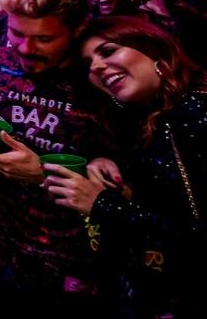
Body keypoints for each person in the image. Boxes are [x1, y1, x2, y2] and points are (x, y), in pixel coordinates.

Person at [0, 0, 118, 312]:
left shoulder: (101, 81)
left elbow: (127, 180)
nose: (26, 48)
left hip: (68, 260)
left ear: (78, 29)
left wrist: (40, 172)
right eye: (16, 33)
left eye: (44, 39)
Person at [46, 17, 205, 317]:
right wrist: (115, 171)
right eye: (88, 63)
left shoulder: (195, 114)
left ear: (154, 48)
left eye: (108, 51)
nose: (95, 67)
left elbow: (191, 236)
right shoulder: (151, 116)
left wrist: (102, 204)